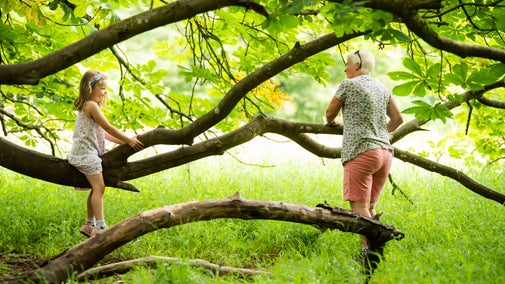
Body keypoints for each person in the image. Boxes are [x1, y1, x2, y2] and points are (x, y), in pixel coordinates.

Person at [325, 49, 403, 254]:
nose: (345, 68)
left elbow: (329, 113)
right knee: (370, 206)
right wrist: (378, 134)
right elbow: (398, 120)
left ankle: (369, 250)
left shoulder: (348, 85)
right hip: (384, 153)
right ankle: (377, 243)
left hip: (361, 152)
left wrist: (332, 122)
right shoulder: (383, 88)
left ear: (357, 65)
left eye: (348, 64)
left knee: (359, 207)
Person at [68, 70, 144, 237]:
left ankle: (89, 224)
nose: (105, 92)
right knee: (99, 188)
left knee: (94, 188)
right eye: (102, 88)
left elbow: (103, 133)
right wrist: (129, 140)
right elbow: (109, 127)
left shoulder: (86, 106)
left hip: (82, 154)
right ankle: (100, 227)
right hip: (86, 155)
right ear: (90, 88)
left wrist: (125, 140)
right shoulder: (91, 106)